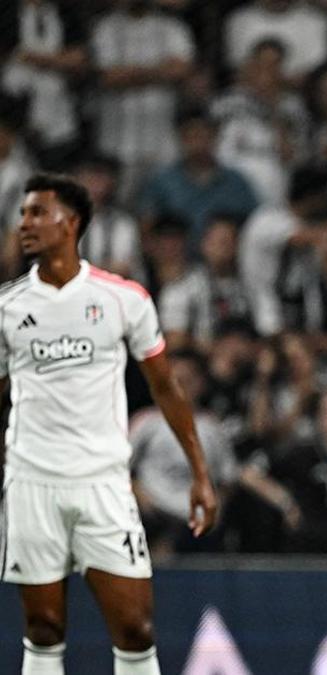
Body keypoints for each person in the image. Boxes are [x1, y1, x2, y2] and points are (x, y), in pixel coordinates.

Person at [1, 173, 218, 674]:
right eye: (23, 214)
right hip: (32, 482)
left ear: (71, 223)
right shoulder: (8, 307)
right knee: (43, 629)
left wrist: (200, 473)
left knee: (136, 629)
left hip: (103, 482)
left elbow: (166, 387)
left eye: (38, 212)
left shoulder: (124, 298)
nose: (25, 223)